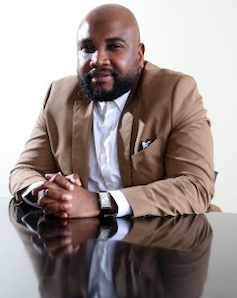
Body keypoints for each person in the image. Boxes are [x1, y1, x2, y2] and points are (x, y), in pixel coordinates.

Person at [9, 4, 215, 218]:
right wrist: (47, 192)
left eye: (114, 46)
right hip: (80, 239)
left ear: (139, 54)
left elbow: (196, 187)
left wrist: (100, 202)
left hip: (164, 239)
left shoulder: (175, 92)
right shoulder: (59, 95)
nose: (97, 60)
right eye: (87, 48)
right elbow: (23, 171)